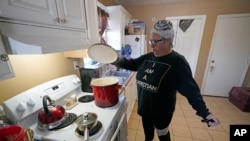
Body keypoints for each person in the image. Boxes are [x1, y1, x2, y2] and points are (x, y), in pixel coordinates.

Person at [112, 19, 220, 141]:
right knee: (148, 135)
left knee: (162, 134)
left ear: (168, 41)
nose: (151, 45)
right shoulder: (147, 58)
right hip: (145, 109)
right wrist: (112, 58)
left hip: (162, 113)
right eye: (150, 41)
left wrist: (205, 113)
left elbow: (192, 91)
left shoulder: (177, 62)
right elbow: (130, 65)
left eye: (155, 42)